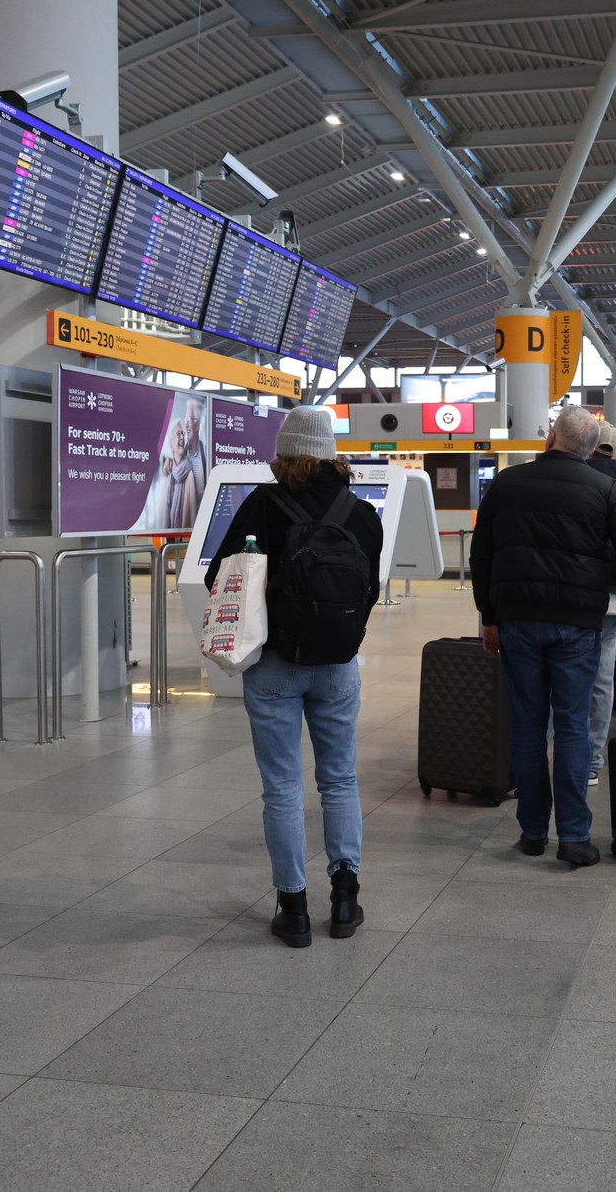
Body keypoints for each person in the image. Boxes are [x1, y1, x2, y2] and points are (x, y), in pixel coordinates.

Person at [206, 406, 382, 947]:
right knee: (340, 778)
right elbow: (369, 588)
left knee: (282, 785)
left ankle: (294, 907)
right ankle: (346, 897)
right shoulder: (360, 511)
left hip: (275, 664)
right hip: (337, 665)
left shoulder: (260, 505)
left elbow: (221, 578)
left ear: (283, 454)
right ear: (330, 451)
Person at [474, 406, 616, 867]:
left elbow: (483, 554)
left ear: (551, 437)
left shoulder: (507, 484)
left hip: (517, 621)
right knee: (573, 726)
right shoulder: (605, 487)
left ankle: (533, 832)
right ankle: (574, 837)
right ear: (592, 449)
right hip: (577, 623)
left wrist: (489, 617)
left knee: (529, 727)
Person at [580, 419, 616, 787]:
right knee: (601, 678)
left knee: (564, 676)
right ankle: (591, 760)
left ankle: (560, 750)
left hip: (573, 591)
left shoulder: (576, 476)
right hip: (611, 595)